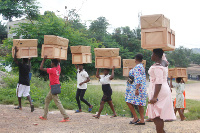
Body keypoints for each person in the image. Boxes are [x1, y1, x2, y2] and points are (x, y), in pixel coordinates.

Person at [146, 49, 176, 133]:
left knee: (157, 115)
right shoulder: (164, 63)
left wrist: (155, 97)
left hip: (159, 90)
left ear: (155, 55)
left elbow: (158, 82)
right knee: (158, 114)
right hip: (163, 88)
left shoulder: (157, 66)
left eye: (152, 54)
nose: (151, 56)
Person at [39, 55, 69, 122]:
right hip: (56, 87)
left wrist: (44, 59)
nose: (50, 63)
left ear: (53, 64)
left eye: (51, 62)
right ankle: (44, 116)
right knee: (47, 100)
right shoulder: (58, 68)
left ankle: (66, 116)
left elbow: (41, 68)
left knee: (58, 102)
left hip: (54, 88)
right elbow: (58, 62)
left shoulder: (52, 70)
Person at [125, 54, 147, 125]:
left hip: (137, 87)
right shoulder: (141, 67)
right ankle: (142, 119)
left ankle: (136, 117)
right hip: (141, 87)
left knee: (128, 101)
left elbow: (138, 78)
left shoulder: (138, 67)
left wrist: (137, 89)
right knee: (140, 104)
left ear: (135, 60)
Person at [13, 46, 34, 112]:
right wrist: (30, 59)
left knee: (19, 94)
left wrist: (16, 52)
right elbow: (29, 64)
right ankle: (31, 103)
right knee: (27, 93)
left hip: (21, 82)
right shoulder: (28, 67)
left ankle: (20, 106)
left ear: (22, 60)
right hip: (27, 82)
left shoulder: (21, 65)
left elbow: (15, 60)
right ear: (27, 61)